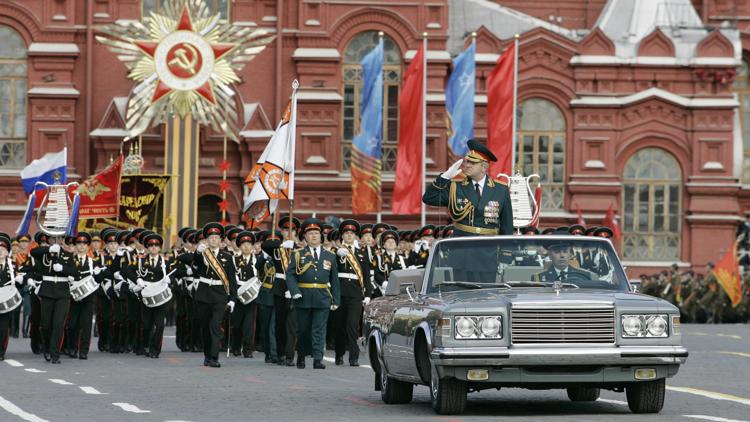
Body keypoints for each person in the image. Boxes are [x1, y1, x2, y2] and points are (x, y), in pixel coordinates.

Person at [422, 139, 513, 236]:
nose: (467, 165)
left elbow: (506, 225)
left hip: (489, 247)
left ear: (484, 167)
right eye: (467, 162)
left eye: (472, 163)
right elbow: (428, 198)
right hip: (462, 246)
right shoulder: (455, 186)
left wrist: (506, 251)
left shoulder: (500, 189)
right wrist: (444, 178)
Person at [286, 218, 340, 369]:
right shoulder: (297, 254)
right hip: (303, 296)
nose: (314, 236)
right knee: (303, 330)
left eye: (316, 233)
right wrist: (294, 291)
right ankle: (301, 356)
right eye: (310, 233)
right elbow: (290, 274)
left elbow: (334, 279)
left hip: (322, 296)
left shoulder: (330, 255)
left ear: (321, 236)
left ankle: (318, 358)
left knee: (319, 329)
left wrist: (336, 299)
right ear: (305, 237)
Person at [184, 223, 238, 368]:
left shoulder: (228, 257)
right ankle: (207, 356)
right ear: (206, 240)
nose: (214, 240)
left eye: (216, 237)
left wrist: (233, 299)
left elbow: (232, 279)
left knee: (215, 326)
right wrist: (197, 253)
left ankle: (214, 357)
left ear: (221, 240)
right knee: (205, 328)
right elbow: (197, 266)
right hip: (204, 295)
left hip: (220, 296)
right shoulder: (202, 254)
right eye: (211, 237)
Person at [31, 235, 77, 364]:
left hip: (62, 292)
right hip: (47, 291)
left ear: (62, 241)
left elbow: (75, 272)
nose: (55, 241)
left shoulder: (68, 255)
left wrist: (63, 269)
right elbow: (33, 252)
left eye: (58, 239)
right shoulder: (45, 254)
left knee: (58, 324)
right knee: (46, 324)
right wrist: (49, 249)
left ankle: (55, 353)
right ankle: (46, 347)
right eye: (51, 239)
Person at [335, 219, 372, 367]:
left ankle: (353, 356)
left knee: (352, 325)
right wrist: (337, 255)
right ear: (342, 236)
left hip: (356, 294)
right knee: (339, 326)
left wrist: (368, 294)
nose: (349, 235)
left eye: (352, 233)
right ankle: (339, 354)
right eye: (346, 233)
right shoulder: (335, 252)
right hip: (340, 292)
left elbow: (366, 276)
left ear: (356, 236)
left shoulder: (362, 254)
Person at [231, 231, 259, 358]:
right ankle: (235, 347)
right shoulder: (234, 260)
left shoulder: (257, 260)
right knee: (236, 323)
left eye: (249, 244)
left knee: (249, 324)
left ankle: (248, 349)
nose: (246, 247)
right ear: (239, 246)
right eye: (243, 244)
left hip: (253, 295)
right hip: (238, 294)